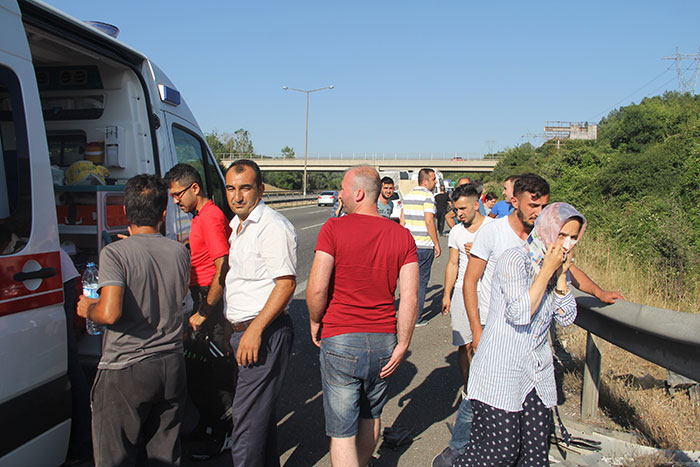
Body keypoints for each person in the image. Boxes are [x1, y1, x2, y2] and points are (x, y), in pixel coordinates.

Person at [433, 173, 623, 466]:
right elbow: (471, 281)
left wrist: (597, 291)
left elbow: (569, 288)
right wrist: (476, 330)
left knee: (531, 451)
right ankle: (456, 452)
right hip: (498, 335)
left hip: (532, 360)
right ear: (514, 201)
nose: (538, 212)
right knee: (494, 439)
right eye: (533, 205)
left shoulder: (545, 246)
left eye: (544, 206)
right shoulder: (497, 236)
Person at [454, 203, 585, 466]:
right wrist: (547, 270)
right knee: (500, 453)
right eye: (562, 235)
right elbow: (519, 313)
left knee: (535, 454)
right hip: (500, 372)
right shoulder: (515, 259)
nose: (567, 244)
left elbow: (566, 317)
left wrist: (560, 278)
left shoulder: (557, 267)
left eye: (573, 237)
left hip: (536, 373)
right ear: (547, 230)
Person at [306, 166, 419, 467]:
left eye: (342, 188)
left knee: (342, 433)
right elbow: (409, 297)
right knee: (371, 416)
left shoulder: (333, 228)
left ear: (357, 193)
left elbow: (317, 288)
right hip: (384, 341)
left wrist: (316, 321)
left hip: (341, 338)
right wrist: (402, 343)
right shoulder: (403, 236)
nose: (339, 194)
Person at [77, 174, 190, 466]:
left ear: (126, 212)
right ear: (163, 213)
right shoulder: (179, 252)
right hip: (171, 364)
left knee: (116, 456)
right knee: (165, 454)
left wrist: (88, 309)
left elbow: (110, 313)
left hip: (126, 369)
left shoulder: (115, 253)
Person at [224, 159, 297, 466]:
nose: (236, 196)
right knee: (259, 418)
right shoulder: (238, 226)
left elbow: (286, 284)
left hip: (262, 333)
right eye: (230, 188)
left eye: (245, 188)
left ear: (261, 189)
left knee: (245, 422)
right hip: (246, 332)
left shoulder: (272, 227)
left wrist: (254, 330)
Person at [164, 163, 233, 459]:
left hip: (211, 303)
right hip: (201, 298)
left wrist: (205, 312)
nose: (176, 201)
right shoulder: (199, 217)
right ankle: (207, 426)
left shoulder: (210, 217)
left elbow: (223, 266)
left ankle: (225, 435)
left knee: (216, 374)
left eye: (178, 195)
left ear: (195, 188)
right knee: (198, 370)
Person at [441, 184, 493, 392]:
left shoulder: (493, 227)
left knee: (486, 342)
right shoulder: (456, 232)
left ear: (476, 204)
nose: (459, 214)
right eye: (456, 209)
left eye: (463, 209)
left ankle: (487, 387)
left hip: (488, 291)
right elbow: (453, 263)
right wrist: (447, 294)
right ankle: (469, 387)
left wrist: (482, 252)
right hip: (463, 291)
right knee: (465, 344)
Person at [401, 168, 440, 326]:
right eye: (433, 179)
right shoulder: (428, 197)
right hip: (424, 245)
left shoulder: (408, 196)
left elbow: (403, 222)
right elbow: (429, 221)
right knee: (422, 282)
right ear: (425, 181)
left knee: (408, 282)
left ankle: (405, 316)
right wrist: (436, 243)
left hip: (409, 245)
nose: (435, 181)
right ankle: (416, 318)